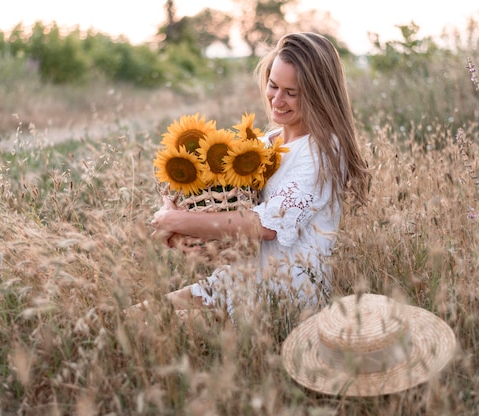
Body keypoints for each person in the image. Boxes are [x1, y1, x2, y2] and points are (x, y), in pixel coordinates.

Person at [147, 32, 370, 315]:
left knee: (151, 330)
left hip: (284, 298)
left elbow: (265, 227)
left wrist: (176, 220)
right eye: (273, 86)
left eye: (291, 93)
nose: (277, 100)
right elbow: (223, 205)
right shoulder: (265, 144)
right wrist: (175, 219)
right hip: (239, 280)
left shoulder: (323, 153)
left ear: (318, 94)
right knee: (133, 317)